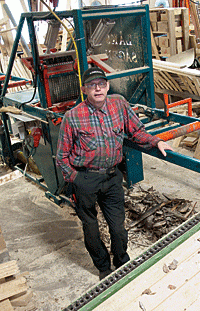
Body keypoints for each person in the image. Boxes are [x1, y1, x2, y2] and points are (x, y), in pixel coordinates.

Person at [56, 67, 173, 280]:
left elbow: (136, 131)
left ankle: (121, 261)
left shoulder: (118, 103)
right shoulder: (73, 117)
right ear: (85, 89)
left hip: (112, 177)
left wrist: (157, 141)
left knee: (118, 228)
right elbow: (61, 156)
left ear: (108, 86)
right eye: (92, 85)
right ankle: (103, 268)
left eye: (101, 84)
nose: (97, 88)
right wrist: (76, 179)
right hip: (85, 179)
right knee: (91, 228)